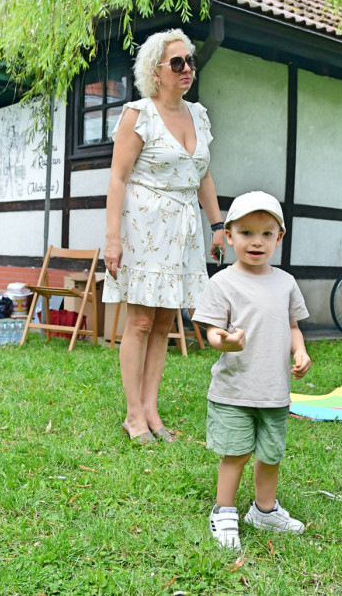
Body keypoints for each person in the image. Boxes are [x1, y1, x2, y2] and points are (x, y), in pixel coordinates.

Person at [103, 28, 225, 444]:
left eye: (189, 61)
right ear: (156, 71)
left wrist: (218, 224)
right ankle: (133, 415)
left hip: (184, 227)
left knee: (162, 322)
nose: (187, 68)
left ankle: (152, 410)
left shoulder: (200, 115)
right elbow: (118, 179)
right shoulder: (138, 115)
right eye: (178, 62)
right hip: (145, 224)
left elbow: (202, 173)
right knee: (138, 321)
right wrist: (112, 238)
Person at [192, 191, 311, 551]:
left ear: (279, 237)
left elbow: (292, 326)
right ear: (228, 236)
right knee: (236, 453)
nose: (256, 242)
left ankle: (264, 509)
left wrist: (301, 349)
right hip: (234, 389)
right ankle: (224, 510)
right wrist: (223, 341)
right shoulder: (222, 283)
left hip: (274, 390)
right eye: (246, 233)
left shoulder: (286, 282)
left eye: (266, 234)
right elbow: (211, 330)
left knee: (270, 454)